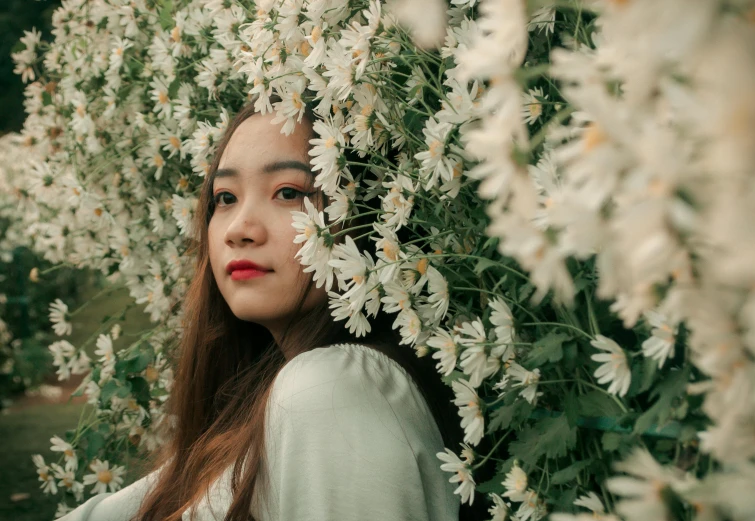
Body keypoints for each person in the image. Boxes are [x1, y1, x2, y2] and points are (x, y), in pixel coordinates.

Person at [56, 98, 483, 521]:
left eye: (288, 192)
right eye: (224, 197)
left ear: (368, 217)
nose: (239, 228)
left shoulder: (330, 390)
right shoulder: (252, 423)